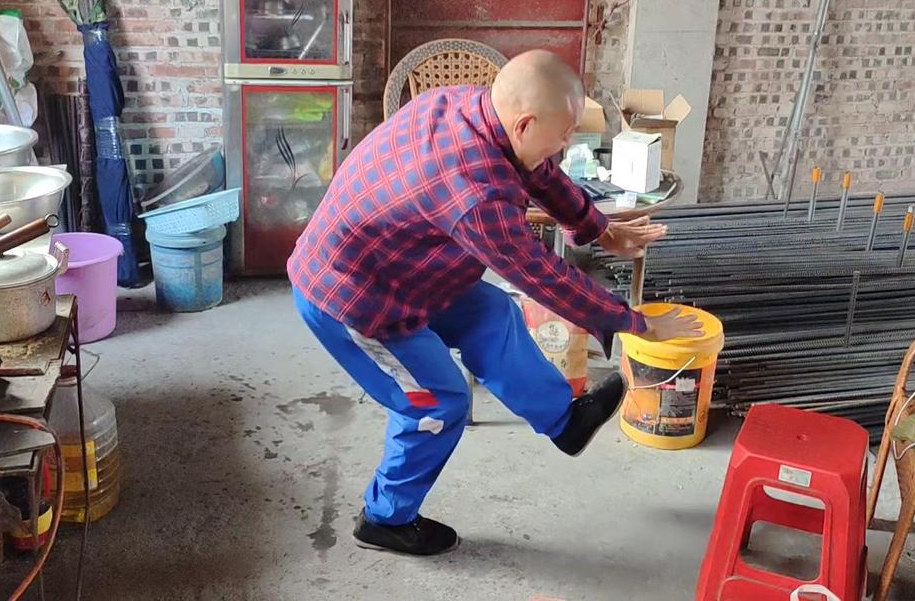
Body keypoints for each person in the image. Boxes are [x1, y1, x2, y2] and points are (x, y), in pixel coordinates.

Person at [288, 50, 701, 556]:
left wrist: (597, 228)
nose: (566, 144)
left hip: (400, 265)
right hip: (353, 300)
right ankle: (385, 519)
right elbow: (542, 275)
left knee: (492, 314)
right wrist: (634, 322)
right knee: (437, 403)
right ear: (525, 123)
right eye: (564, 134)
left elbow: (540, 173)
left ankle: (565, 422)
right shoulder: (475, 191)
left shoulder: (465, 105)